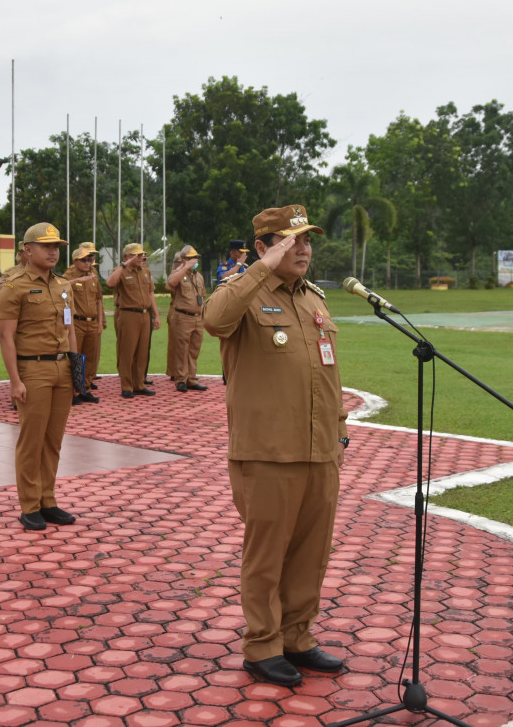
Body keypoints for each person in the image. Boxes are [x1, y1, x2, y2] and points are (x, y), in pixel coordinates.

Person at [203, 204, 348, 688]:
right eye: (291, 242)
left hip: (320, 450)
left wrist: (338, 431)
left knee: (311, 554)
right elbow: (214, 320)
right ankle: (262, 645)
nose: (303, 250)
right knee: (267, 556)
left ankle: (297, 637)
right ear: (263, 248)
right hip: (267, 453)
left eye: (307, 241)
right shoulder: (241, 295)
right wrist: (260, 269)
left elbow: (326, 373)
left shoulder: (313, 300)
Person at [0, 223, 80, 531]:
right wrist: (15, 380)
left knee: (53, 440)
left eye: (56, 246)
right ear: (27, 250)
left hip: (62, 369)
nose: (53, 251)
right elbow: (6, 337)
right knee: (31, 441)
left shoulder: (63, 284)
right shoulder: (13, 286)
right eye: (46, 246)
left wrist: (76, 372)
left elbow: (70, 329)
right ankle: (29, 505)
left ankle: (48, 499)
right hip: (33, 370)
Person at [107, 242, 160, 398]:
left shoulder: (145, 271)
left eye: (141, 254)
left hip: (144, 314)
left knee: (142, 351)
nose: (140, 257)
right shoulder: (121, 271)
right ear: (126, 256)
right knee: (127, 351)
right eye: (135, 255)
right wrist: (126, 264)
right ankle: (127, 386)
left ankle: (139, 384)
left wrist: (155, 315)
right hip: (128, 314)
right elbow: (110, 283)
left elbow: (151, 294)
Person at [61, 241, 105, 402]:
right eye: (84, 260)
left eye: (89, 259)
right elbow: (61, 288)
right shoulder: (69, 275)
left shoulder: (93, 273)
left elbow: (99, 299)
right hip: (77, 322)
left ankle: (85, 388)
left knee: (90, 358)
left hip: (92, 322)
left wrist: (100, 322)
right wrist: (79, 280)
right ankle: (72, 391)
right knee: (75, 358)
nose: (88, 263)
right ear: (75, 261)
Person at [166, 244, 208, 388]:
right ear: (183, 260)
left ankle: (192, 378)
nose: (194, 261)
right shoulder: (178, 273)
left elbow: (202, 296)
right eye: (190, 258)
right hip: (183, 317)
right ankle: (181, 380)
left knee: (194, 349)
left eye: (195, 258)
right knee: (182, 349)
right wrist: (184, 267)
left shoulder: (199, 277)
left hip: (197, 317)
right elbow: (171, 283)